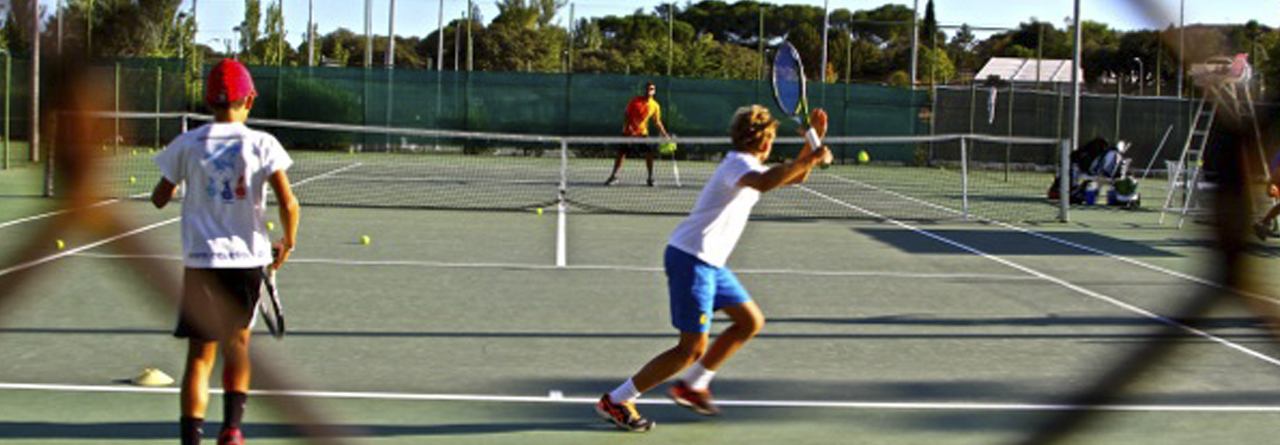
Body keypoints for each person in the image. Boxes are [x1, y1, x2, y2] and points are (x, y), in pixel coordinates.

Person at [595, 105, 833, 432]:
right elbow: (765, 183)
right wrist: (810, 156)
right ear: (764, 142)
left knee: (750, 321)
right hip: (691, 258)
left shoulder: (747, 163)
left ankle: (693, 386)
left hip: (711, 263)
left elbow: (796, 175)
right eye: (773, 139)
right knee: (690, 349)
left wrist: (813, 145)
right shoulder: (738, 165)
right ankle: (618, 399)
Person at [151, 58, 300, 445]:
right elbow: (290, 204)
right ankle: (232, 429)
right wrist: (288, 242)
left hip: (200, 263)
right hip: (248, 262)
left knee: (200, 359)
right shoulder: (263, 143)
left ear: (206, 100)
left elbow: (158, 199)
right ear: (249, 100)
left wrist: (185, 182)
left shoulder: (187, 143)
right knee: (238, 346)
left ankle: (191, 439)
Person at [606, 82, 669, 187]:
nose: (650, 90)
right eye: (648, 88)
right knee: (621, 154)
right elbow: (627, 114)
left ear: (654, 92)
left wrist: (664, 134)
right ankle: (614, 176)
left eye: (652, 89)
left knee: (649, 153)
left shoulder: (655, 105)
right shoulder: (635, 101)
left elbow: (657, 121)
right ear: (644, 90)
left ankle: (650, 178)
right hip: (628, 133)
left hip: (642, 134)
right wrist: (629, 127)